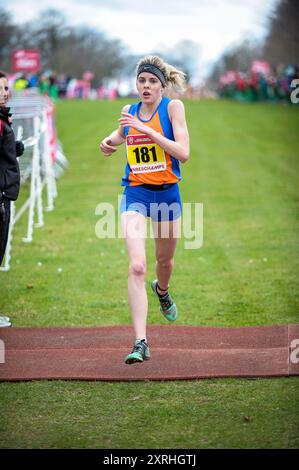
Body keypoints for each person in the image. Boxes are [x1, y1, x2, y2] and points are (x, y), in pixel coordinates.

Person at [100, 56, 190, 364]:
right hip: (136, 193)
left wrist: (146, 130)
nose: (146, 86)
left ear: (162, 85)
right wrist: (109, 141)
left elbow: (184, 153)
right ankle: (141, 341)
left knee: (164, 261)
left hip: (167, 194)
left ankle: (162, 291)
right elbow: (123, 134)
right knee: (137, 265)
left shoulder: (173, 108)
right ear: (136, 84)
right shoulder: (129, 111)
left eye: (152, 81)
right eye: (142, 81)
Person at [0, 71, 24, 327]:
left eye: (6, 88)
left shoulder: (3, 118)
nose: (5, 92)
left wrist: (11, 149)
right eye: (1, 88)